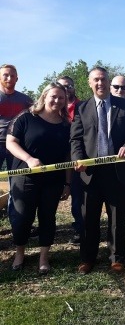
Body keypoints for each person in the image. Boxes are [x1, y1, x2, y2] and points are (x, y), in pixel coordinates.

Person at [71, 67, 125, 274]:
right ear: (89, 83)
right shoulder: (82, 109)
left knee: (117, 219)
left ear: (108, 82)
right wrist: (78, 158)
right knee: (88, 219)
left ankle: (116, 258)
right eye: (96, 80)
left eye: (103, 79)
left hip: (117, 172)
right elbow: (75, 139)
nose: (100, 83)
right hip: (90, 173)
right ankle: (87, 258)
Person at [7, 82, 71, 275]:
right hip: (25, 177)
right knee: (22, 217)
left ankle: (44, 257)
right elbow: (10, 142)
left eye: (61, 98)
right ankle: (20, 253)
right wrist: (28, 159)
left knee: (47, 217)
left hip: (53, 180)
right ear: (44, 96)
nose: (57, 101)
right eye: (53, 96)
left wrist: (67, 183)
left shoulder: (66, 125)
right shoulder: (26, 117)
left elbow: (68, 156)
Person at [57, 76, 82, 244]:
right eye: (62, 86)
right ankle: (46, 228)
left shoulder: (83, 107)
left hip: (76, 157)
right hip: (55, 156)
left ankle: (80, 229)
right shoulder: (52, 106)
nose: (66, 89)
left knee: (78, 195)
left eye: (69, 86)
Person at [0, 64, 34, 171]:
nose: (9, 78)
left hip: (17, 143)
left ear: (17, 78)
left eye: (12, 76)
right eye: (5, 75)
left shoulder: (26, 100)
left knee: (16, 178)